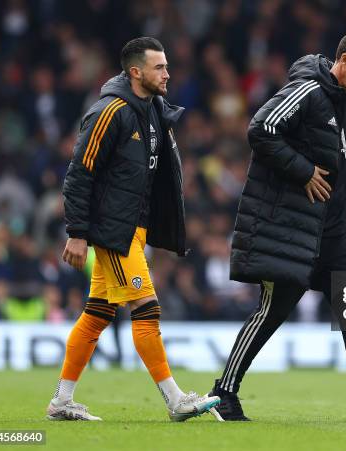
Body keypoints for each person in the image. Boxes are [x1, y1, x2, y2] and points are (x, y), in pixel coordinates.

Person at [209, 29, 346, 422]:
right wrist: (304, 170)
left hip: (334, 227)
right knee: (272, 312)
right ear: (343, 59)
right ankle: (223, 393)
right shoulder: (307, 89)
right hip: (296, 226)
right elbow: (260, 129)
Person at [46, 37, 219, 422]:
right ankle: (176, 400)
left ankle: (61, 401)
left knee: (96, 315)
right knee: (147, 309)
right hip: (115, 232)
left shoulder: (154, 110)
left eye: (167, 66)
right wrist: (76, 231)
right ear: (136, 71)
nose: (167, 73)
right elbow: (79, 174)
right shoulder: (111, 111)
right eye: (160, 67)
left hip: (134, 230)